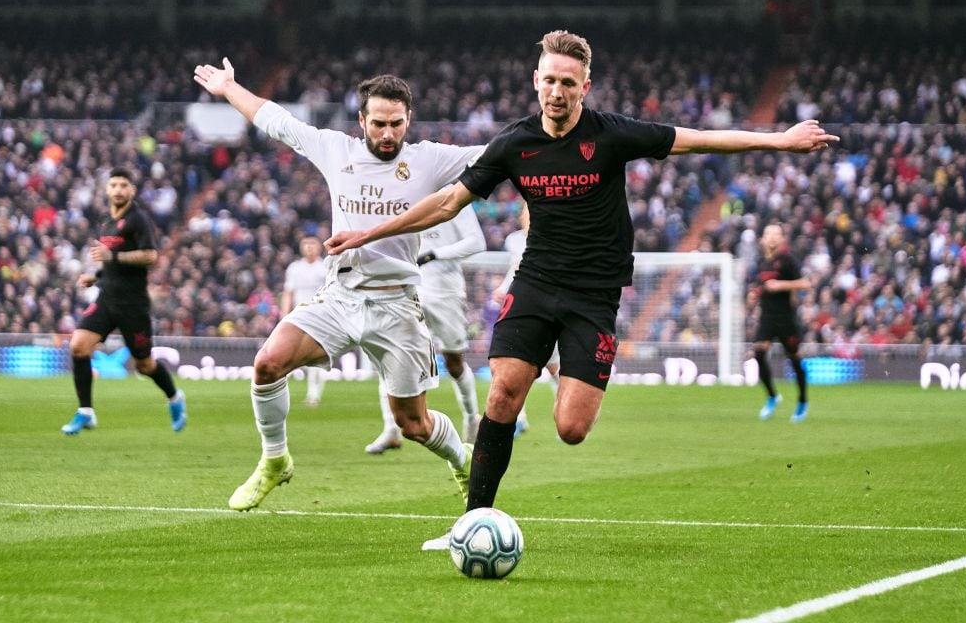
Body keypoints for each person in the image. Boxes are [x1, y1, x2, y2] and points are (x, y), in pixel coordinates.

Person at [325, 29, 836, 548]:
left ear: (585, 86)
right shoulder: (514, 143)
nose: (556, 91)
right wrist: (368, 233)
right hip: (536, 281)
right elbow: (446, 203)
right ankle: (471, 521)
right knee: (502, 391)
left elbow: (696, 137)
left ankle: (564, 378)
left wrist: (779, 139)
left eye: (567, 82)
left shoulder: (610, 134)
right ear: (535, 81)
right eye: (548, 80)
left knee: (571, 427)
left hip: (594, 295)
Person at [192, 58, 482, 512]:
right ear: (362, 121)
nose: (389, 134)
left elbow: (500, 152)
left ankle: (464, 462)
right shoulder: (335, 150)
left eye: (397, 124)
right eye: (380, 124)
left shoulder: (428, 159)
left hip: (398, 307)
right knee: (267, 364)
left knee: (414, 424)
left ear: (410, 120)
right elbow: (275, 120)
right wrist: (230, 88)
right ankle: (275, 460)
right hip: (341, 298)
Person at [63, 167, 187, 435]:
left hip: (133, 306)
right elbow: (110, 262)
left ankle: (175, 397)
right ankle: (86, 412)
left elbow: (150, 256)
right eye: (114, 185)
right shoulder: (105, 221)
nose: (118, 189)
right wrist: (95, 276)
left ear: (132, 190)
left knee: (144, 365)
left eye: (123, 185)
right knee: (78, 347)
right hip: (107, 299)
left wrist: (112, 258)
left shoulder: (138, 219)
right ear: (107, 190)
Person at [365, 202, 485, 454]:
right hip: (408, 286)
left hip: (446, 290)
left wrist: (433, 254)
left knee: (454, 362)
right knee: (390, 354)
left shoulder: (456, 197)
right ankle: (390, 429)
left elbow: (477, 243)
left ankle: (472, 418)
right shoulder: (409, 193)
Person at [493, 203, 559, 438]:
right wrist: (502, 288)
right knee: (512, 366)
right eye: (524, 213)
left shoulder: (553, 238)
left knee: (553, 368)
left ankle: (565, 412)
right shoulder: (514, 240)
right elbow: (515, 268)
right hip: (520, 309)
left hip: (546, 308)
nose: (526, 217)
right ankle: (517, 419)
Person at [751, 223, 812, 423]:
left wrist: (781, 285)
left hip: (786, 318)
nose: (772, 238)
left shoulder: (787, 260)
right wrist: (753, 296)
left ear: (782, 238)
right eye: (768, 234)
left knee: (794, 359)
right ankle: (772, 396)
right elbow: (762, 287)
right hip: (767, 317)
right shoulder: (761, 262)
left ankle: (802, 401)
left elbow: (805, 283)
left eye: (776, 234)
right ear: (763, 238)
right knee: (758, 354)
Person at [280, 236, 329, 407]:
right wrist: (284, 314)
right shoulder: (294, 268)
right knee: (291, 354)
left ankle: (313, 395)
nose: (309, 247)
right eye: (305, 244)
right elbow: (288, 292)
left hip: (320, 316)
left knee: (314, 357)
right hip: (298, 316)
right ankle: (280, 392)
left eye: (312, 244)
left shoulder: (325, 267)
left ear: (319, 247)